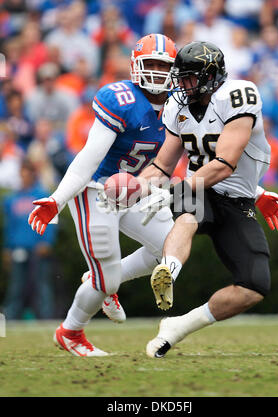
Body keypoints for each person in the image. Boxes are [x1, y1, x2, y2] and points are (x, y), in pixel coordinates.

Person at [127, 41, 278, 358]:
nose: (180, 85)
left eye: (187, 78)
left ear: (209, 75)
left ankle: (178, 326)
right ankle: (169, 271)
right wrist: (135, 188)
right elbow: (162, 165)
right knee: (188, 214)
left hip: (233, 194)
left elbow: (226, 163)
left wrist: (176, 189)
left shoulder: (238, 95)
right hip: (200, 187)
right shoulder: (178, 107)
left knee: (254, 286)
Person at [28, 33, 177, 356]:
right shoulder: (121, 99)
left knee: (170, 246)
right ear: (135, 66)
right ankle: (70, 332)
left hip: (135, 187)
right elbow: (89, 157)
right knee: (105, 281)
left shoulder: (178, 106)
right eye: (149, 63)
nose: (155, 71)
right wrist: (58, 198)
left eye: (162, 65)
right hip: (96, 190)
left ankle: (103, 278)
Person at [2, 159, 57, 319]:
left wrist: (47, 241)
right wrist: (7, 247)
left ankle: (46, 317)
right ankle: (11, 317)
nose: (24, 177)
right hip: (18, 248)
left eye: (27, 174)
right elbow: (9, 226)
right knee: (16, 286)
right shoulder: (12, 199)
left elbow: (51, 221)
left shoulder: (41, 195)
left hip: (38, 247)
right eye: (22, 174)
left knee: (42, 285)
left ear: (33, 175)